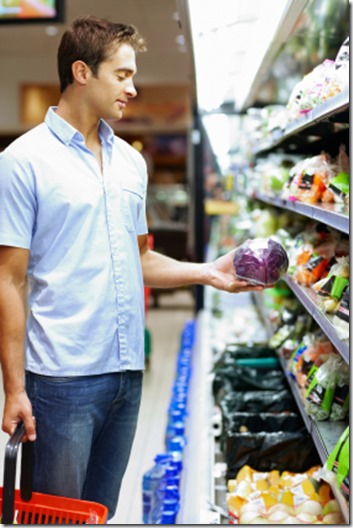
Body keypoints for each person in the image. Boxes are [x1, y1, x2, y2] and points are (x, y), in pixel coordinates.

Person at [0, 15, 264, 521]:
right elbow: (8, 279)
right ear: (82, 72)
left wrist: (210, 271)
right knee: (58, 516)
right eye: (121, 75)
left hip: (126, 374)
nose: (133, 87)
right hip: (61, 381)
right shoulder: (22, 162)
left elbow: (138, 258)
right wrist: (14, 388)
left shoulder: (130, 163)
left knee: (100, 511)